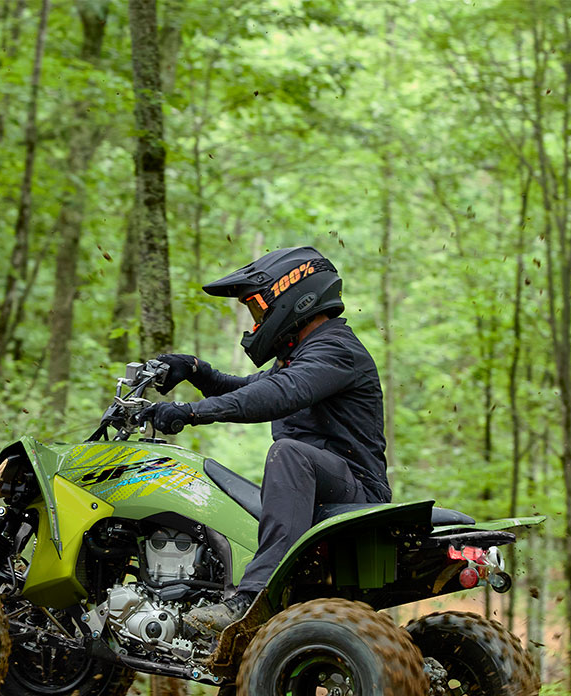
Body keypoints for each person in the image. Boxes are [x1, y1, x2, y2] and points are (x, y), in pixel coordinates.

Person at [136, 245, 390, 638]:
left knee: (287, 454)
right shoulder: (303, 355)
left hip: (356, 491)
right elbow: (245, 388)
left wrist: (190, 412)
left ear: (293, 297)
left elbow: (277, 395)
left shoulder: (335, 348)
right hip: (327, 487)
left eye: (258, 310)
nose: (256, 323)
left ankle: (250, 600)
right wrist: (195, 369)